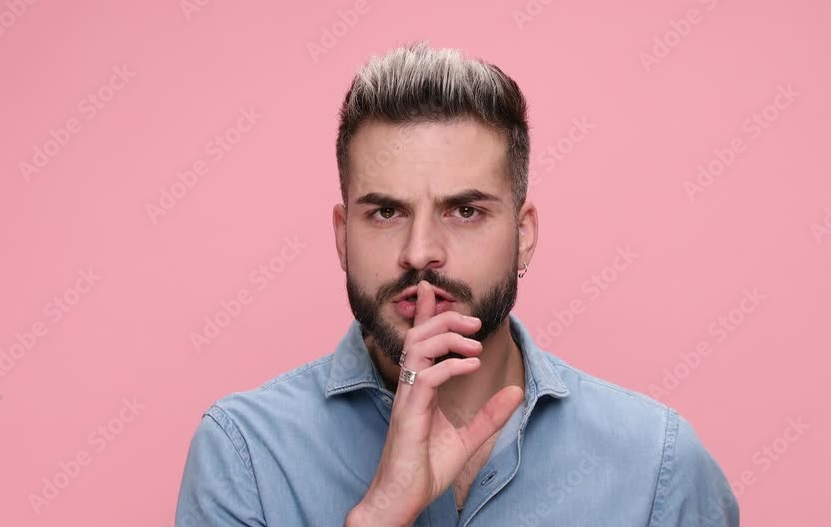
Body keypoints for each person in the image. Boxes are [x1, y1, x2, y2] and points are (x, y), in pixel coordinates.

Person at [175, 41, 739, 526]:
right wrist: (379, 515)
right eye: (386, 212)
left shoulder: (658, 465)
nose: (421, 251)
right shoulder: (245, 455)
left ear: (523, 235)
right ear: (343, 237)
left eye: (465, 211)